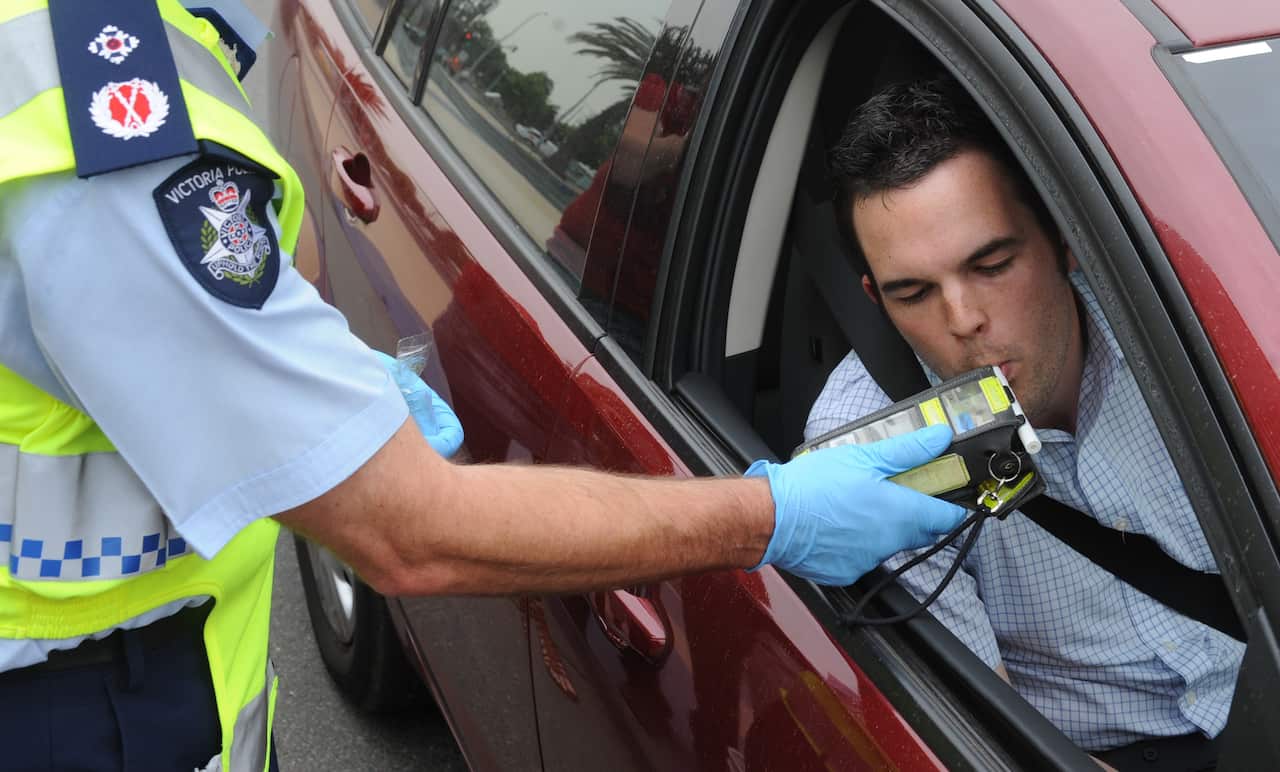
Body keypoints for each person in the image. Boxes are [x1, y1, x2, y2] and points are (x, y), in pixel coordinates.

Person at [0, 3, 966, 770]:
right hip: (76, 714)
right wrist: (770, 516)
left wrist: (285, 367)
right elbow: (406, 533)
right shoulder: (96, 108)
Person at [809, 75, 1244, 769]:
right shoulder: (872, 446)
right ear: (875, 297)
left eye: (992, 264)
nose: (963, 320)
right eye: (914, 292)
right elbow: (987, 734)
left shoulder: (1190, 324)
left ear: (1066, 243)